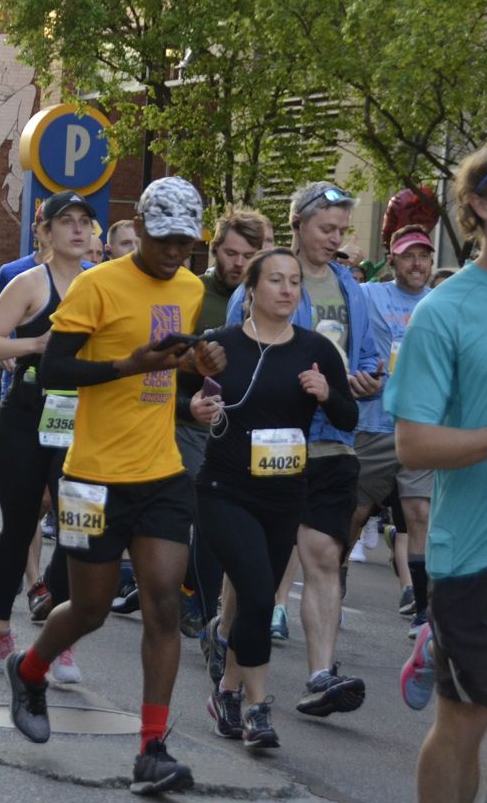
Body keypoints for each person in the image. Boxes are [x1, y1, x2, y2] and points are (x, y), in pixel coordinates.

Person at [4, 176, 225, 796]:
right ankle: (29, 668)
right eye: (167, 240)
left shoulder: (188, 289)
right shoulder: (98, 283)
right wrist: (131, 364)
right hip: (90, 475)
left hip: (160, 473)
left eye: (187, 243)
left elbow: (170, 387)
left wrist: (196, 375)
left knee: (161, 602)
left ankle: (152, 748)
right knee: (93, 609)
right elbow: (54, 370)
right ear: (144, 229)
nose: (177, 253)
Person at [389, 132, 487, 803]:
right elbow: (414, 446)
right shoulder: (443, 313)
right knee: (467, 720)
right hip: (472, 554)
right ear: (478, 206)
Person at [224, 180, 382, 718]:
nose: (335, 240)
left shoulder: (350, 287)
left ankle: (320, 674)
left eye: (342, 230)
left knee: (323, 553)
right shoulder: (268, 280)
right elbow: (232, 354)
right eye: (326, 228)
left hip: (333, 439)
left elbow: (366, 355)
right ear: (297, 224)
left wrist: (364, 380)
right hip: (272, 438)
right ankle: (228, 647)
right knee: (255, 568)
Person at [189, 248, 357, 749]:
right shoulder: (218, 346)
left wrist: (328, 393)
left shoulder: (316, 349)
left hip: (285, 493)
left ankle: (228, 691)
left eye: (294, 282)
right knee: (260, 594)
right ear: (252, 290)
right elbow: (175, 397)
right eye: (277, 280)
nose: (287, 290)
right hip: (224, 488)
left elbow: (348, 418)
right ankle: (259, 710)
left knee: (255, 603)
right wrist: (194, 405)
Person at [0, 190, 92, 681]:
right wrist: (37, 342)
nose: (79, 230)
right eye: (67, 222)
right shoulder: (30, 283)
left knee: (77, 528)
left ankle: (58, 637)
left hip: (80, 420)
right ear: (45, 232)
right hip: (25, 416)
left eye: (86, 221)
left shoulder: (100, 284)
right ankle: (1, 623)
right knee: (20, 527)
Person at [174, 210, 266, 638]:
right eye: (231, 253)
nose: (239, 263)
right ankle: (199, 602)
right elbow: (168, 358)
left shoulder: (268, 296)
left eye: (250, 255)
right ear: (214, 251)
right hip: (191, 420)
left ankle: (192, 590)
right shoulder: (193, 293)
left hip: (245, 426)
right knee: (203, 512)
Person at [345, 225, 435, 639]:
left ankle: (422, 607)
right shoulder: (370, 295)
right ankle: (336, 576)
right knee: (356, 513)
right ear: (392, 259)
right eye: (408, 255)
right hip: (373, 423)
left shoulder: (440, 302)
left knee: (418, 515)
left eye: (424, 256)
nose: (417, 263)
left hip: (419, 424)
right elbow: (332, 290)